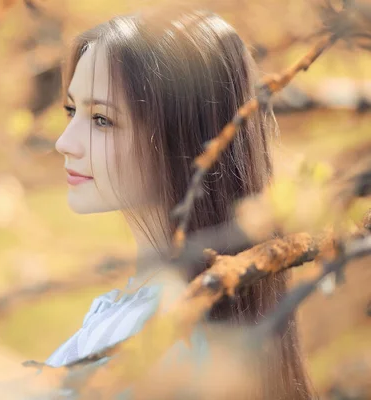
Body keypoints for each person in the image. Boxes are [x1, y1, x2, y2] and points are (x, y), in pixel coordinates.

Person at [47, 9, 312, 400]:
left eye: (102, 119)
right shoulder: (141, 314)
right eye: (72, 111)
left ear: (182, 136)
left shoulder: (171, 344)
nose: (64, 143)